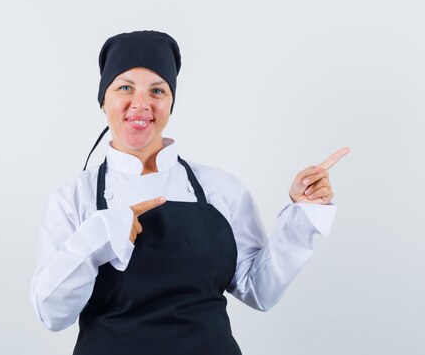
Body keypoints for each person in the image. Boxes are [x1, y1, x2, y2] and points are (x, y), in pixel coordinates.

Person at [29, 30, 350, 355]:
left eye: (157, 90)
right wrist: (97, 236)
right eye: (124, 87)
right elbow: (53, 315)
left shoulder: (222, 189)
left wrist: (301, 215)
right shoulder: (73, 198)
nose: (140, 103)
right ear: (103, 100)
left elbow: (259, 291)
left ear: (171, 103)